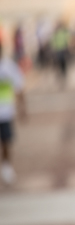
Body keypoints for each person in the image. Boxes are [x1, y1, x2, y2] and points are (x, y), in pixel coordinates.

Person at [0, 54, 25, 185]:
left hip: (4, 113)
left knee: (6, 141)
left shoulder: (8, 66)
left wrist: (22, 107)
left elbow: (19, 85)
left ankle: (6, 167)